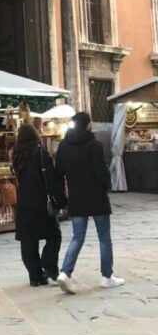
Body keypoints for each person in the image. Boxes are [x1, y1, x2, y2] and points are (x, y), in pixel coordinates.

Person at [55, 111, 125, 294]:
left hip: (76, 197)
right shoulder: (95, 145)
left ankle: (65, 272)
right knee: (104, 237)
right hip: (96, 197)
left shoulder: (63, 146)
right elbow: (101, 172)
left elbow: (59, 171)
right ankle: (107, 276)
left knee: (78, 236)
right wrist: (107, 184)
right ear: (88, 125)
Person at [12, 125, 66, 287]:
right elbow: (51, 180)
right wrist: (62, 201)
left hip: (24, 203)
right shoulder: (41, 154)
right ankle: (49, 266)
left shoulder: (17, 155)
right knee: (54, 236)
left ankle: (35, 276)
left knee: (28, 240)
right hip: (42, 203)